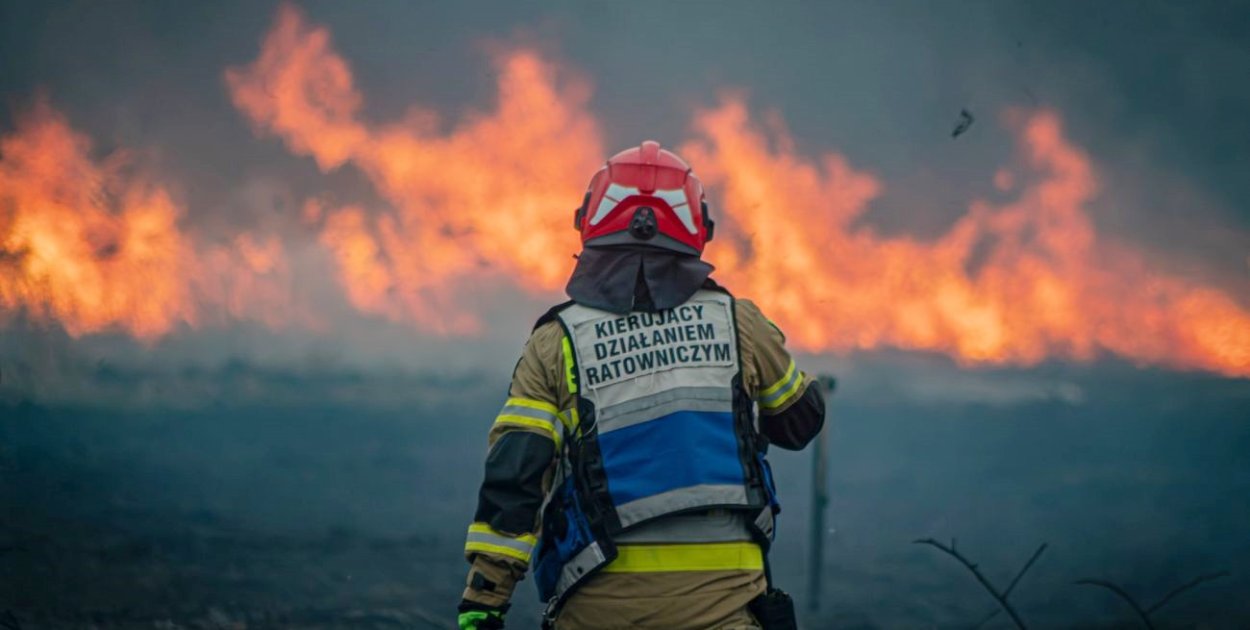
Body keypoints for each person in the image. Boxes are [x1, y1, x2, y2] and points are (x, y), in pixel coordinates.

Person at [457, 141, 826, 630]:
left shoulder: (556, 343)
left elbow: (516, 481)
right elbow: (800, 423)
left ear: (589, 223)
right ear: (699, 230)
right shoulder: (739, 324)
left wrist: (485, 600)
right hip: (728, 614)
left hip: (597, 613)